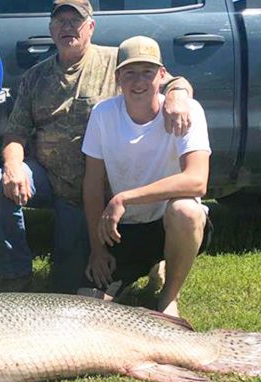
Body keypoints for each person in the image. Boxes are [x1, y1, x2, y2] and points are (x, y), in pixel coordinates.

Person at [0, 0, 194, 293]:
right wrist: (13, 165)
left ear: (91, 27)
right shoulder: (35, 77)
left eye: (75, 21)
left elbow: (168, 80)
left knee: (69, 286)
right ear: (51, 29)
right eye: (60, 21)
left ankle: (152, 257)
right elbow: (15, 133)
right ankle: (14, 275)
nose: (67, 27)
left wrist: (179, 95)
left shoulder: (116, 63)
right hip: (49, 179)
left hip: (99, 189)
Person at [80, 36, 211, 317]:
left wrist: (124, 198)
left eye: (147, 72)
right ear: (117, 78)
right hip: (124, 229)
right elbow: (92, 184)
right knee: (88, 303)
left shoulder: (189, 112)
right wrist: (97, 249)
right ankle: (151, 263)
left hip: (169, 221)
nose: (138, 82)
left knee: (186, 210)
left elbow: (197, 180)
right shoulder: (103, 114)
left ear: (163, 75)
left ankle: (168, 296)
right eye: (129, 73)